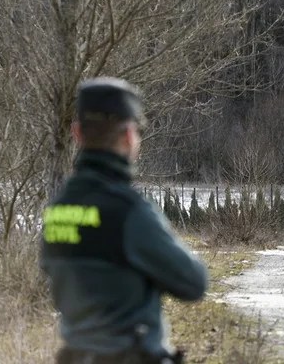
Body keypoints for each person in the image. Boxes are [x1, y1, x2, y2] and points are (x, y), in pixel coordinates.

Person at [41, 78, 208, 364]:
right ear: (130, 135)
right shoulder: (131, 212)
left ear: (77, 133)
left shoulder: (57, 209)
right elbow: (194, 283)